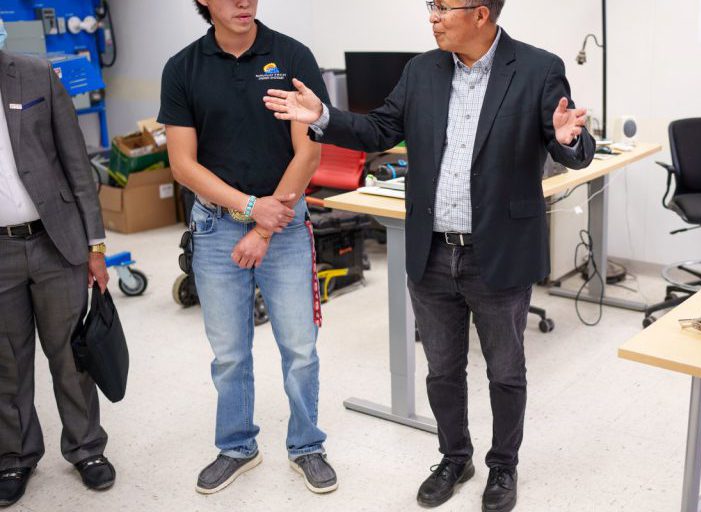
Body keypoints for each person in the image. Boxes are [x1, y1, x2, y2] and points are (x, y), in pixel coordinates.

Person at [264, 1, 595, 510]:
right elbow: (378, 130)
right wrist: (323, 117)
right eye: (431, 7)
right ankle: (453, 455)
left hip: (498, 251)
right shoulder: (422, 70)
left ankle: (502, 468)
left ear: (481, 13)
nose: (433, 17)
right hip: (433, 249)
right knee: (442, 370)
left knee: (505, 370)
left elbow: (566, 137)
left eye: (444, 7)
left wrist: (572, 140)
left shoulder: (537, 67)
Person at [159, 0, 337, 495]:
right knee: (230, 353)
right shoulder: (182, 69)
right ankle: (237, 446)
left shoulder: (292, 56)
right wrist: (247, 210)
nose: (244, 1)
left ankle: (307, 446)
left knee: (300, 348)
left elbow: (310, 149)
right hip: (216, 230)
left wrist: (263, 226)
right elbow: (182, 165)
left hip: (282, 225)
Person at [0, 18, 116, 508]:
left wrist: (95, 245)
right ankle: (14, 455)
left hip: (55, 240)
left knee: (70, 353)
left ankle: (86, 447)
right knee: (6, 361)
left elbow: (76, 162)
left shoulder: (35, 74)